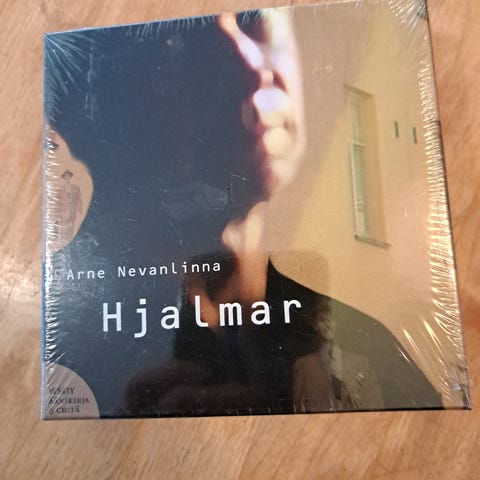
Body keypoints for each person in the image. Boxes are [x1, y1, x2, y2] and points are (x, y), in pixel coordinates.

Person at [44, 9, 442, 417]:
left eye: (262, 32)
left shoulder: (370, 354)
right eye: (200, 51)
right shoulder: (77, 354)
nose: (250, 64)